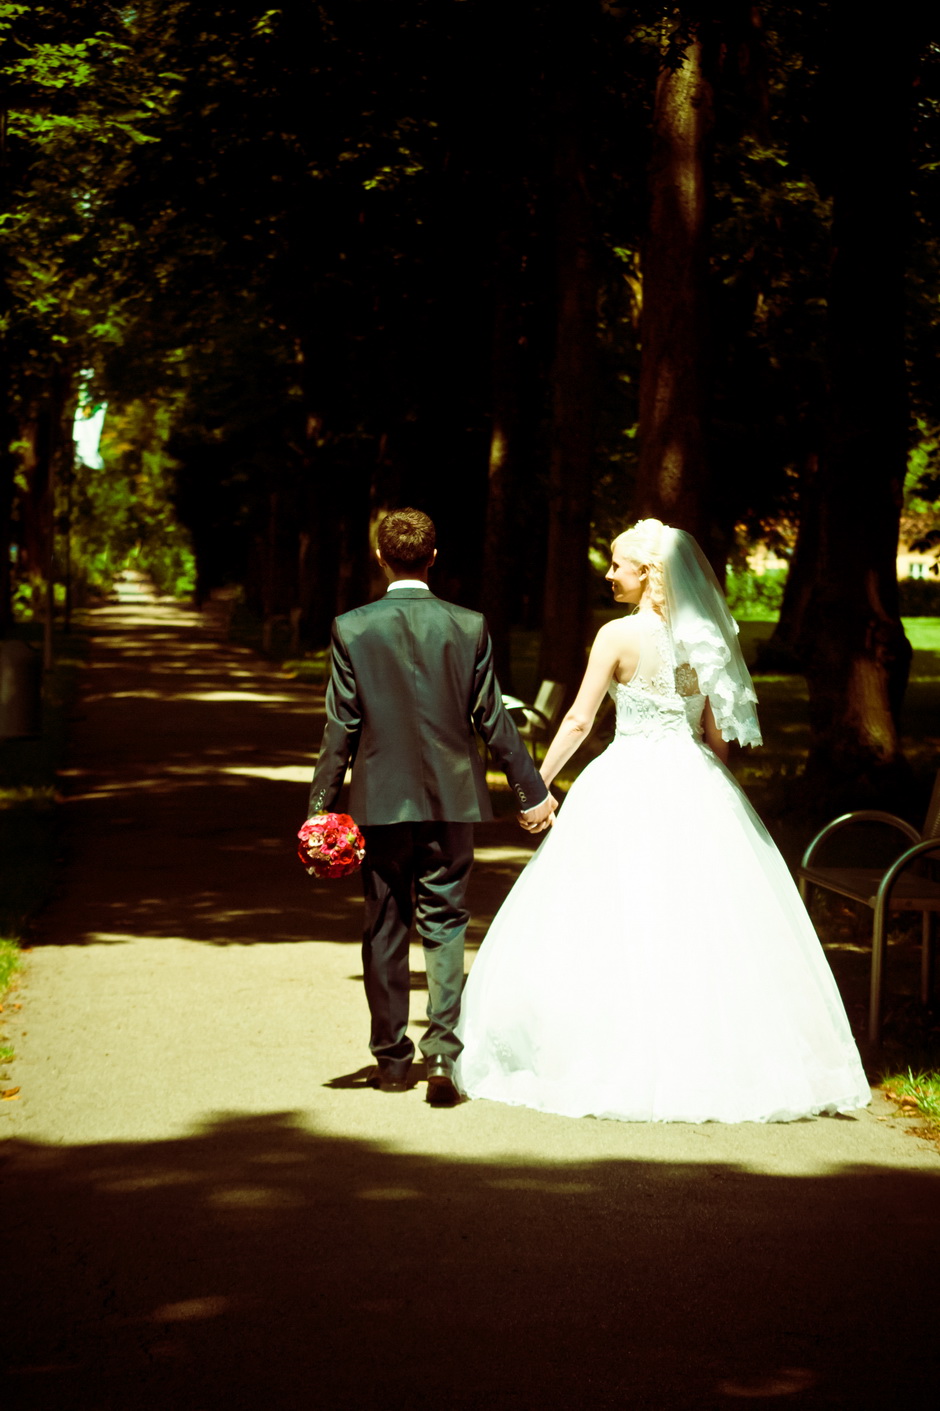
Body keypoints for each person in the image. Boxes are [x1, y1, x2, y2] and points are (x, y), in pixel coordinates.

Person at [454, 518, 871, 1123]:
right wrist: (716, 787)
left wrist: (536, 784)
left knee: (616, 912)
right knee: (701, 918)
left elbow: (577, 721)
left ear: (647, 573)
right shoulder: (705, 639)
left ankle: (612, 1048)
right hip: (695, 782)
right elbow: (716, 737)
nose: (609, 572)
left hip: (627, 780)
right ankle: (708, 1054)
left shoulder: (617, 637)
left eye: (619, 563)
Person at [307, 508, 556, 1104]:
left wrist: (320, 806)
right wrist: (532, 791)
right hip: (452, 798)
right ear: (433, 557)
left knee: (385, 922)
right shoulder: (467, 626)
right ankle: (442, 1052)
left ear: (380, 557)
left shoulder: (352, 628)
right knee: (446, 921)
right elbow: (492, 718)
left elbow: (340, 726)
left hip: (378, 799)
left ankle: (392, 1060)